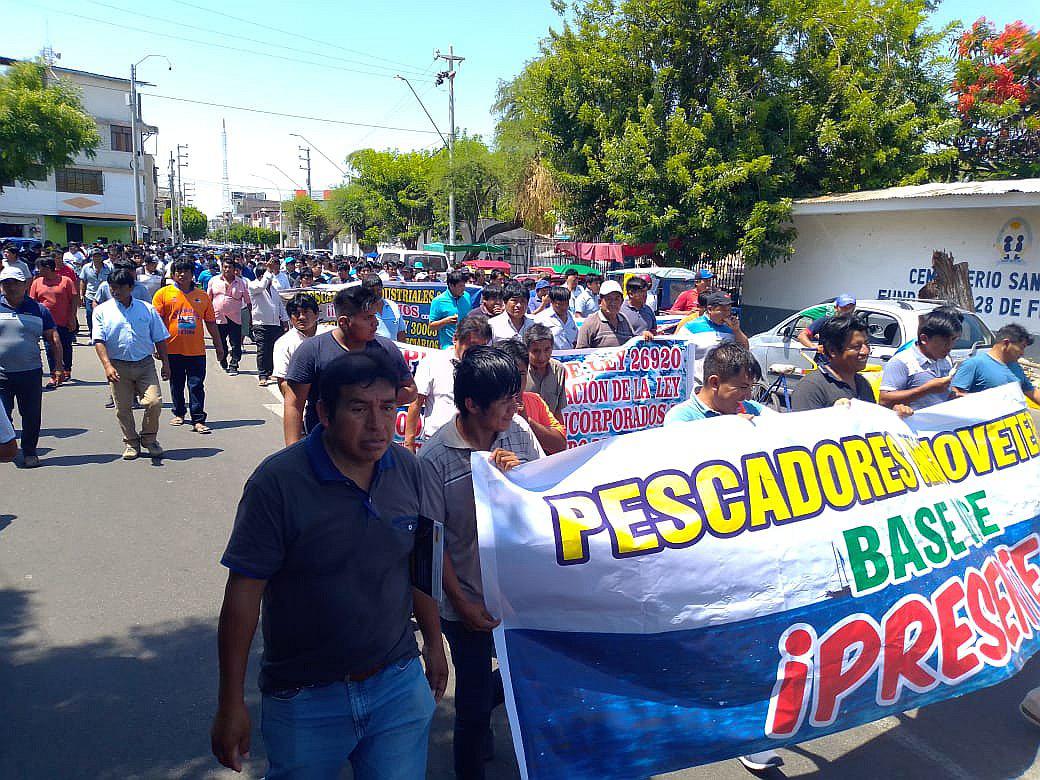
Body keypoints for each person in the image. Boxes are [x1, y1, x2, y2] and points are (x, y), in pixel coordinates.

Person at [212, 352, 447, 779]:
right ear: (323, 413)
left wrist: (433, 643)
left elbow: (418, 565)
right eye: (359, 409)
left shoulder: (408, 470)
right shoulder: (277, 484)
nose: (378, 425)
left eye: (387, 408)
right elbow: (242, 599)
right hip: (305, 698)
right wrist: (230, 701)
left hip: (396, 683)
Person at [419, 347, 543, 780]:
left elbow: (543, 498)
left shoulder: (517, 434)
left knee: (523, 676)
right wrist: (462, 603)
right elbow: (433, 543)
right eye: (505, 400)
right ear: (472, 404)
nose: (515, 407)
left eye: (516, 397)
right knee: (470, 709)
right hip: (465, 602)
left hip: (515, 594)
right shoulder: (434, 458)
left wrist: (518, 478)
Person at [283, 285, 417, 446]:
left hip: (374, 445)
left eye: (375, 316)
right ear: (344, 322)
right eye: (368, 318)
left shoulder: (386, 349)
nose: (375, 323)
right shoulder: (311, 350)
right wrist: (292, 449)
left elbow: (410, 390)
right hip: (324, 446)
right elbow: (294, 404)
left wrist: (375, 401)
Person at [92, 268, 170, 460]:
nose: (115, 291)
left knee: (154, 402)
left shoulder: (146, 309)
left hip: (145, 365)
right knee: (123, 408)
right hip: (118, 367)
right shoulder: (102, 311)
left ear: (131, 287)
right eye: (112, 287)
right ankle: (131, 443)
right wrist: (107, 366)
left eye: (120, 287)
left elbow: (159, 337)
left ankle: (149, 439)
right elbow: (99, 340)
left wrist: (166, 363)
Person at [152, 259, 225, 434]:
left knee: (196, 385)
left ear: (193, 274)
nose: (182, 274)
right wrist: (155, 346)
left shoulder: (202, 296)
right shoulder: (163, 294)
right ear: (173, 274)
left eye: (186, 271)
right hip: (172, 349)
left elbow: (210, 322)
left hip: (196, 350)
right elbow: (154, 322)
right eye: (178, 271)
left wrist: (219, 345)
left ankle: (198, 419)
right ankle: (179, 412)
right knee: (176, 384)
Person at [0, 265, 63, 468]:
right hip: (1, 374)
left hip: (30, 372)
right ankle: (7, 447)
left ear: (25, 284)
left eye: (15, 283)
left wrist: (58, 367)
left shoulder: (39, 310)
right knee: (3, 415)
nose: (11, 287)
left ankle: (29, 452)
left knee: (30, 415)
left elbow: (53, 338)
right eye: (6, 283)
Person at [790, 315, 913, 416]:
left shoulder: (862, 383)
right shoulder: (811, 387)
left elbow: (871, 423)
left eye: (867, 344)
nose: (865, 351)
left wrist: (894, 414)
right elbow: (804, 433)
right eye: (856, 347)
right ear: (832, 351)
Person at [404, 314, 492, 451]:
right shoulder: (432, 362)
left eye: (482, 346)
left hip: (475, 445)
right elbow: (416, 403)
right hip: (438, 442)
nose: (476, 351)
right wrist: (409, 443)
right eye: (472, 345)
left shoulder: (488, 368)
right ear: (455, 339)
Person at [879, 307, 963, 411]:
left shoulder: (945, 360)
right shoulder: (902, 362)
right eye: (944, 341)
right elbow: (884, 400)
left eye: (953, 340)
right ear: (924, 339)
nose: (950, 346)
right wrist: (926, 389)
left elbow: (943, 397)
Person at [665, 343, 772, 423]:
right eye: (743, 387)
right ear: (715, 383)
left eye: (751, 388)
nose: (748, 397)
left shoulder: (751, 408)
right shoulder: (681, 418)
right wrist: (733, 426)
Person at [497, 339, 567, 454]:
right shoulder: (486, 407)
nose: (516, 381)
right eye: (509, 374)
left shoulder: (535, 400)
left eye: (521, 374)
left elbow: (560, 444)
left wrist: (527, 422)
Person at [952, 323, 1040, 405]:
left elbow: (1032, 392)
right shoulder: (974, 364)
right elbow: (955, 396)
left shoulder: (1016, 367)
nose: (1022, 353)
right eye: (1021, 347)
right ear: (1006, 343)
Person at [678, 291, 750, 384]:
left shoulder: (731, 329)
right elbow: (678, 355)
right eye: (723, 310)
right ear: (710, 309)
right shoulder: (690, 328)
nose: (727, 314)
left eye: (729, 310)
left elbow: (744, 349)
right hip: (698, 383)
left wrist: (737, 330)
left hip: (724, 384)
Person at [30, 256, 79, 386]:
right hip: (46, 323)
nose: (37, 270)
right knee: (49, 348)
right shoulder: (37, 282)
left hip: (63, 320)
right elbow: (33, 301)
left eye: (39, 268)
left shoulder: (66, 281)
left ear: (47, 268)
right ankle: (54, 374)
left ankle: (66, 370)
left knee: (65, 345)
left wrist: (72, 317)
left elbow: (74, 300)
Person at [247, 258, 290, 387]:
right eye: (268, 275)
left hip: (275, 323)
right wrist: (268, 271)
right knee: (262, 349)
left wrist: (285, 321)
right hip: (260, 323)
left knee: (273, 349)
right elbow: (261, 286)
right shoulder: (253, 286)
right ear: (261, 276)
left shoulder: (274, 288)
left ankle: (271, 371)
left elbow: (280, 306)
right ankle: (262, 375)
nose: (271, 278)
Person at [208, 261, 251, 376]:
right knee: (220, 342)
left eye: (229, 267)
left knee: (236, 343)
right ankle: (223, 360)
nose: (227, 269)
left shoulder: (241, 282)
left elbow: (248, 301)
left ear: (234, 269)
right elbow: (208, 299)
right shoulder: (214, 281)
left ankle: (234, 364)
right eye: (225, 267)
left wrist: (250, 316)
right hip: (218, 317)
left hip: (235, 318)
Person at [524, 323, 568, 423]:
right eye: (536, 351)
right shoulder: (521, 371)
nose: (542, 357)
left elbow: (558, 411)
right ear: (527, 350)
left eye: (547, 350)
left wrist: (561, 431)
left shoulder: (558, 370)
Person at [575, 280, 634, 349]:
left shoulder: (625, 321)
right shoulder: (590, 323)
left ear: (621, 301)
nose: (613, 303)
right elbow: (581, 351)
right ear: (600, 302)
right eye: (608, 299)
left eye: (617, 299)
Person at [429, 270, 472, 349]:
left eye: (464, 285)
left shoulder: (467, 296)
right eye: (460, 286)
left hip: (467, 344)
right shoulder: (438, 301)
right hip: (449, 346)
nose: (463, 288)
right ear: (451, 285)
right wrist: (446, 321)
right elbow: (431, 326)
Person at [79, 250, 111, 338]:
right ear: (91, 257)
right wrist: (81, 294)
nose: (97, 258)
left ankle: (103, 334)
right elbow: (83, 281)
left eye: (98, 256)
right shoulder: (86, 267)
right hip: (90, 295)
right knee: (90, 315)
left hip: (104, 297)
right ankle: (92, 334)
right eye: (94, 256)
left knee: (104, 316)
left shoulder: (108, 268)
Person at [535, 286, 579, 350]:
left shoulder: (571, 316)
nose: (564, 307)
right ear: (551, 301)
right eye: (559, 304)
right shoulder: (541, 318)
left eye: (566, 303)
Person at [364, 275, 405, 341]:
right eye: (372, 291)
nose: (376, 293)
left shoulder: (393, 306)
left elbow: (401, 333)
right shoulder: (362, 310)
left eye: (378, 290)